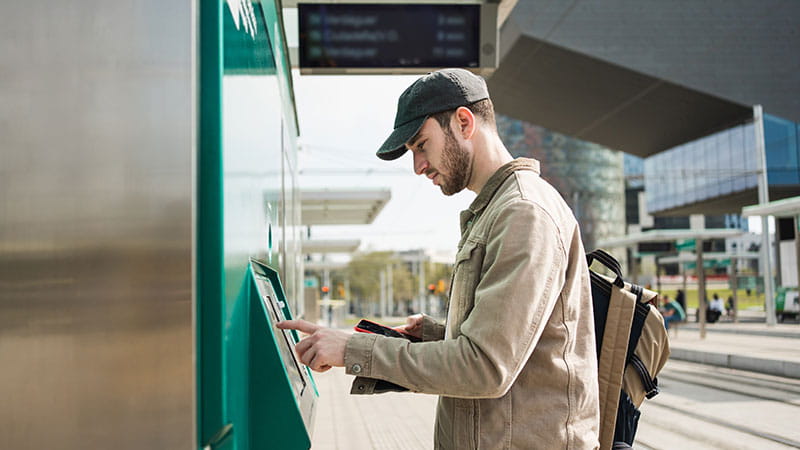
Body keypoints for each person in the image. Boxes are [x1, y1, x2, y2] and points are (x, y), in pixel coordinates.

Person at [277, 68, 599, 449]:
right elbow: (514, 345)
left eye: (421, 145)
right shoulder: (497, 210)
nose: (418, 167)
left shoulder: (524, 212)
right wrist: (434, 336)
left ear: (463, 122)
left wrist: (353, 350)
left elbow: (484, 367)